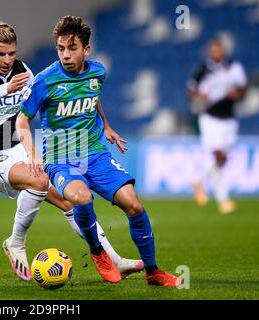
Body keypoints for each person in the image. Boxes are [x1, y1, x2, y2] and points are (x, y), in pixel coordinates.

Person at [0, 21, 143, 281]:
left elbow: (83, 92)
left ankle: (114, 259)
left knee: (70, 200)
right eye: (0, 54)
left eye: (12, 53)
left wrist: (106, 124)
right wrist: (6, 89)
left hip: (16, 145)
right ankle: (16, 242)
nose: (7, 60)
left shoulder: (22, 71)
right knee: (40, 179)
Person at [16, 15, 181, 286]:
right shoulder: (45, 81)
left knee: (134, 205)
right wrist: (33, 155)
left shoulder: (97, 72)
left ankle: (153, 272)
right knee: (81, 198)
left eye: (72, 48)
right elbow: (21, 121)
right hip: (60, 159)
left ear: (86, 50)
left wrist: (106, 125)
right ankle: (98, 252)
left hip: (96, 153)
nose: (65, 55)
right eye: (60, 49)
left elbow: (93, 99)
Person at [187, 38, 247, 215]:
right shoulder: (202, 71)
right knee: (218, 154)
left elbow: (243, 87)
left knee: (222, 159)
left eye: (218, 50)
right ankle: (223, 200)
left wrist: (236, 94)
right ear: (209, 52)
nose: (215, 53)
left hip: (229, 120)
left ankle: (200, 181)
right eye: (212, 50)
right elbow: (191, 90)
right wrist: (199, 96)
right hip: (210, 119)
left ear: (223, 51)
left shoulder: (234, 69)